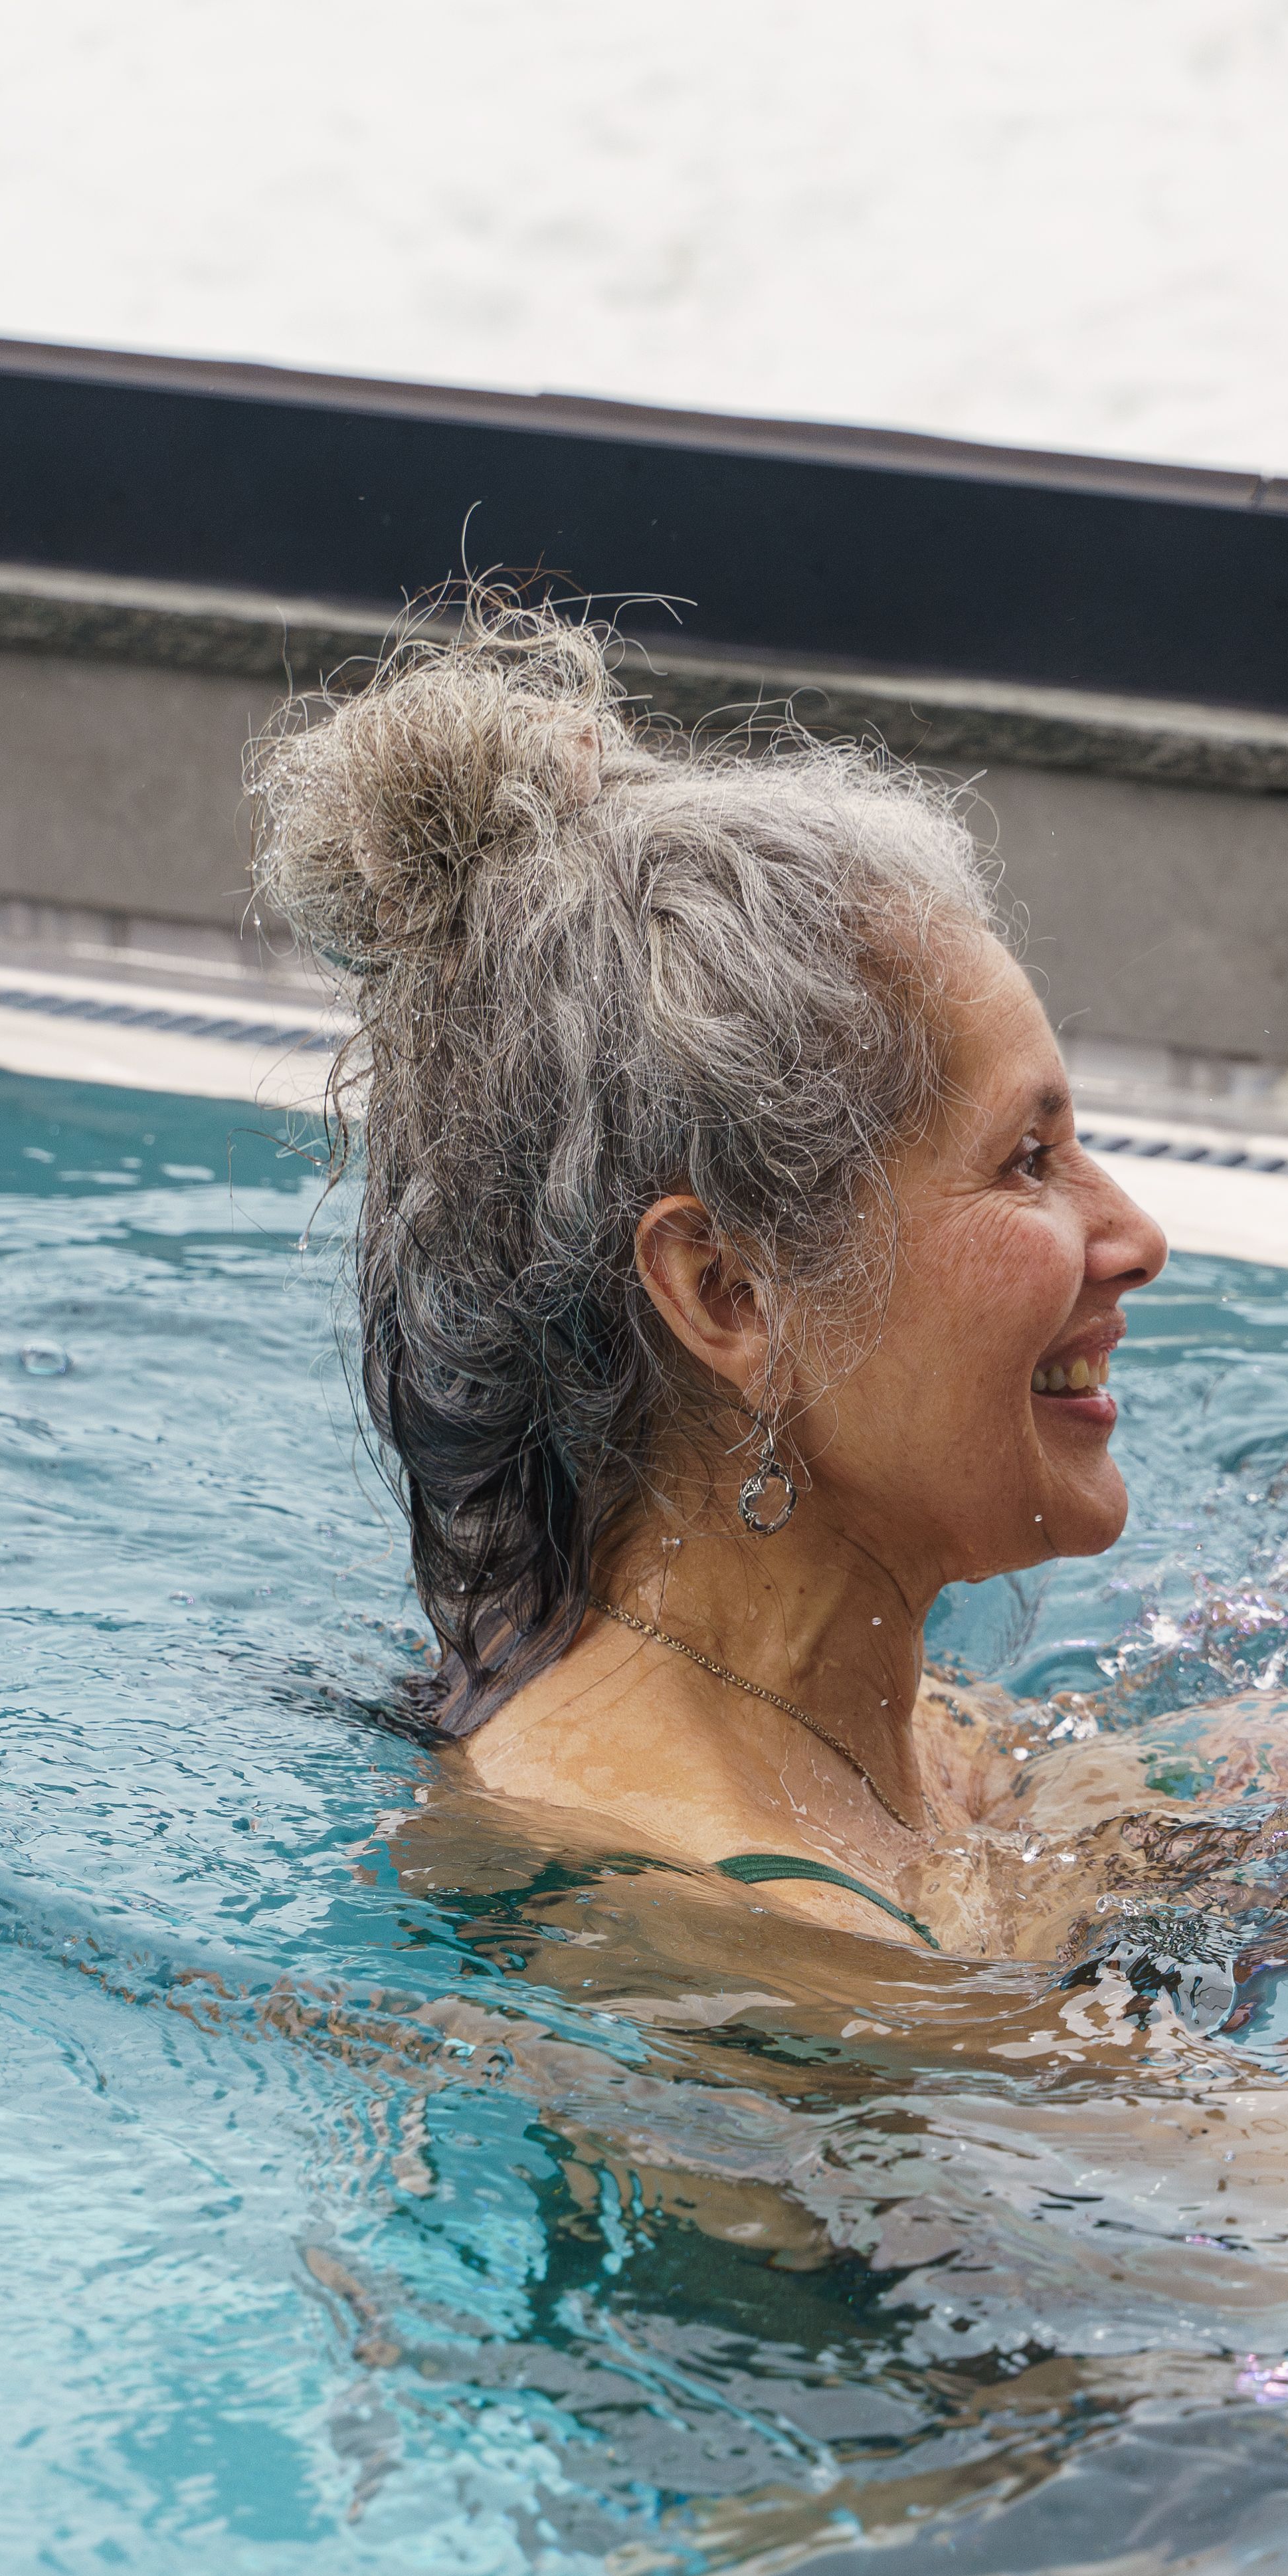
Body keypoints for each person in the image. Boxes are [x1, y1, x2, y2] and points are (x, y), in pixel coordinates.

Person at [250, 598, 1168, 1961]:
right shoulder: (725, 1936)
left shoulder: (900, 1730)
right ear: (731, 1294)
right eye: (1027, 1161)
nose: (1136, 1233)